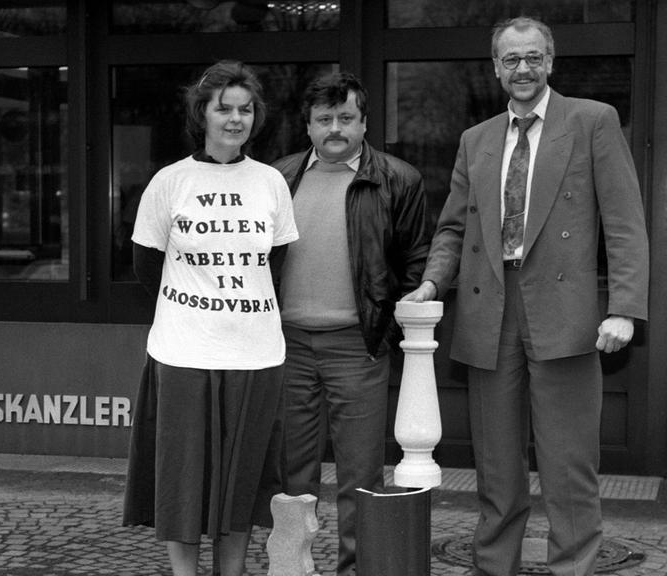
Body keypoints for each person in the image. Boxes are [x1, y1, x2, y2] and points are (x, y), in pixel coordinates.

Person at [405, 17, 649, 576]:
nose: (523, 69)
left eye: (533, 57)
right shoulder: (476, 139)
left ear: (551, 62)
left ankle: (572, 568)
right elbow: (452, 229)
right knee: (495, 467)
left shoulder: (592, 121)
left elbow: (625, 222)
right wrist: (430, 282)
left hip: (565, 313)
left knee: (568, 465)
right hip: (488, 310)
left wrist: (625, 309)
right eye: (511, 59)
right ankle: (495, 567)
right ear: (495, 67)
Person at [122, 60, 298, 576]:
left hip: (255, 352)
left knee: (242, 479)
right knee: (183, 477)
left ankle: (233, 571)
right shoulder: (169, 181)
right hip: (183, 351)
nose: (235, 119)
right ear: (203, 113)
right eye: (225, 109)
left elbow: (277, 265)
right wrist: (197, 308)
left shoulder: (270, 183)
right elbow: (146, 268)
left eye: (245, 110)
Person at [271, 71, 430, 576]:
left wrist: (385, 332)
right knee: (292, 472)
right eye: (324, 119)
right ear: (308, 125)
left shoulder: (398, 179)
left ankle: (355, 569)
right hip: (286, 346)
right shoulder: (278, 178)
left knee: (359, 474)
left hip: (357, 346)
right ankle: (292, 567)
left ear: (364, 123)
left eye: (345, 118)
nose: (334, 128)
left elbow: (415, 262)